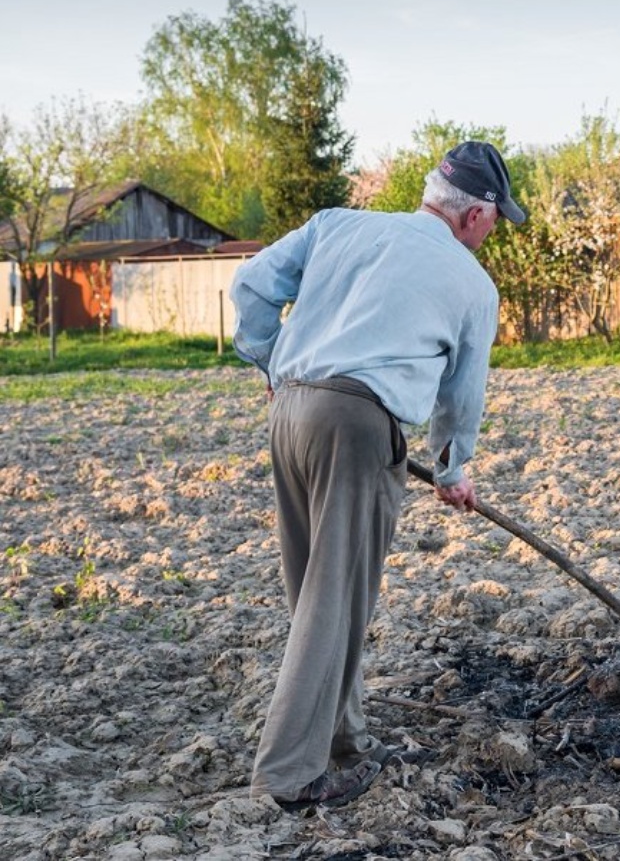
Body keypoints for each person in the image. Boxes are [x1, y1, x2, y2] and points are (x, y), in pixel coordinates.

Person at [230, 141, 525, 812]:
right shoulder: (473, 285)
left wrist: (270, 364)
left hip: (293, 410)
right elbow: (461, 396)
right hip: (358, 427)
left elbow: (249, 283)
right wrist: (453, 469)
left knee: (315, 591)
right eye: (497, 218)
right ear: (476, 216)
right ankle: (289, 774)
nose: (494, 229)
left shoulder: (338, 223)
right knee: (334, 599)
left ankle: (346, 739)